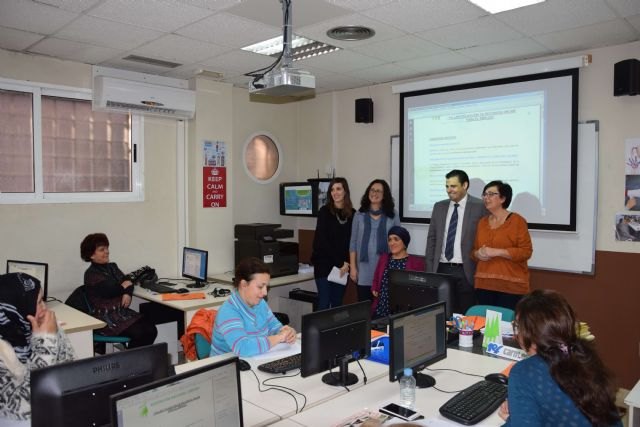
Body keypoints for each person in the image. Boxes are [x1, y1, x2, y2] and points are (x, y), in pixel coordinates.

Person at [499, 289, 622, 426]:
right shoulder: (585, 355)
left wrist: (512, 420)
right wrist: (521, 410)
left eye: (518, 327)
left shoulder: (523, 372)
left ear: (530, 334)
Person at [0, 272, 75, 422]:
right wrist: (45, 343)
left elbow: (70, 371)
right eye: (39, 302)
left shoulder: (39, 326)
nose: (45, 308)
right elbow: (22, 407)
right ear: (15, 308)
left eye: (43, 300)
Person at [80, 233, 157, 349]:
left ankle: (134, 361)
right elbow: (111, 291)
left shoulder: (112, 267)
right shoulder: (91, 274)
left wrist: (126, 292)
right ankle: (131, 364)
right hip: (105, 318)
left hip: (121, 313)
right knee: (143, 333)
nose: (107, 252)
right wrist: (123, 287)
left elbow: (128, 281)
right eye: (102, 250)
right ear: (91, 255)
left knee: (151, 328)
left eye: (107, 248)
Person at [425, 169, 487, 314]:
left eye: (453, 186)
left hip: (466, 270)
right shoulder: (439, 206)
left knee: (466, 313)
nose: (449, 190)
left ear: (465, 185)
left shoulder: (480, 206)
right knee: (443, 313)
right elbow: (432, 238)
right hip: (441, 268)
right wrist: (429, 269)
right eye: (447, 186)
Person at [211, 257, 296, 357]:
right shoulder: (228, 312)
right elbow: (243, 348)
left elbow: (274, 326)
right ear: (243, 284)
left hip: (254, 361)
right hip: (228, 368)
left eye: (266, 287)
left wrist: (286, 332)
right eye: (260, 287)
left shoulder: (260, 303)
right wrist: (279, 337)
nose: (265, 292)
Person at [472, 181, 532, 310]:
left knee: (506, 327)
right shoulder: (482, 222)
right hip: (484, 284)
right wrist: (478, 254)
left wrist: (498, 252)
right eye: (484, 194)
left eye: (491, 194)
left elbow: (526, 252)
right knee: (487, 328)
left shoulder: (517, 221)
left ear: (503, 198)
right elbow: (474, 251)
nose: (486, 198)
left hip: (511, 287)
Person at [349, 179, 400, 303]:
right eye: (372, 190)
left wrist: (396, 268)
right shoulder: (359, 215)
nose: (374, 193)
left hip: (385, 269)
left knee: (383, 310)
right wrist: (353, 268)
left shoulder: (392, 215)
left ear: (384, 195)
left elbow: (399, 242)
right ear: (368, 192)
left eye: (379, 191)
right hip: (363, 270)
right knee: (365, 309)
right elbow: (353, 242)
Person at [311, 178, 355, 310]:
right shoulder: (324, 212)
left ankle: (334, 332)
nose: (335, 192)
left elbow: (354, 242)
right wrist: (341, 262)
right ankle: (319, 332)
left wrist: (347, 262)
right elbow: (320, 242)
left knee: (337, 304)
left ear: (345, 191)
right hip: (324, 265)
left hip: (343, 267)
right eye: (332, 189)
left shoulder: (353, 214)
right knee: (324, 304)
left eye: (338, 189)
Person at [371, 226, 425, 318]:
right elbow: (376, 277)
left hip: (403, 313)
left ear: (404, 243)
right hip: (381, 310)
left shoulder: (417, 263)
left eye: (396, 239)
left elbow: (420, 289)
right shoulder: (384, 258)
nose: (392, 243)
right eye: (390, 240)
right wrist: (374, 288)